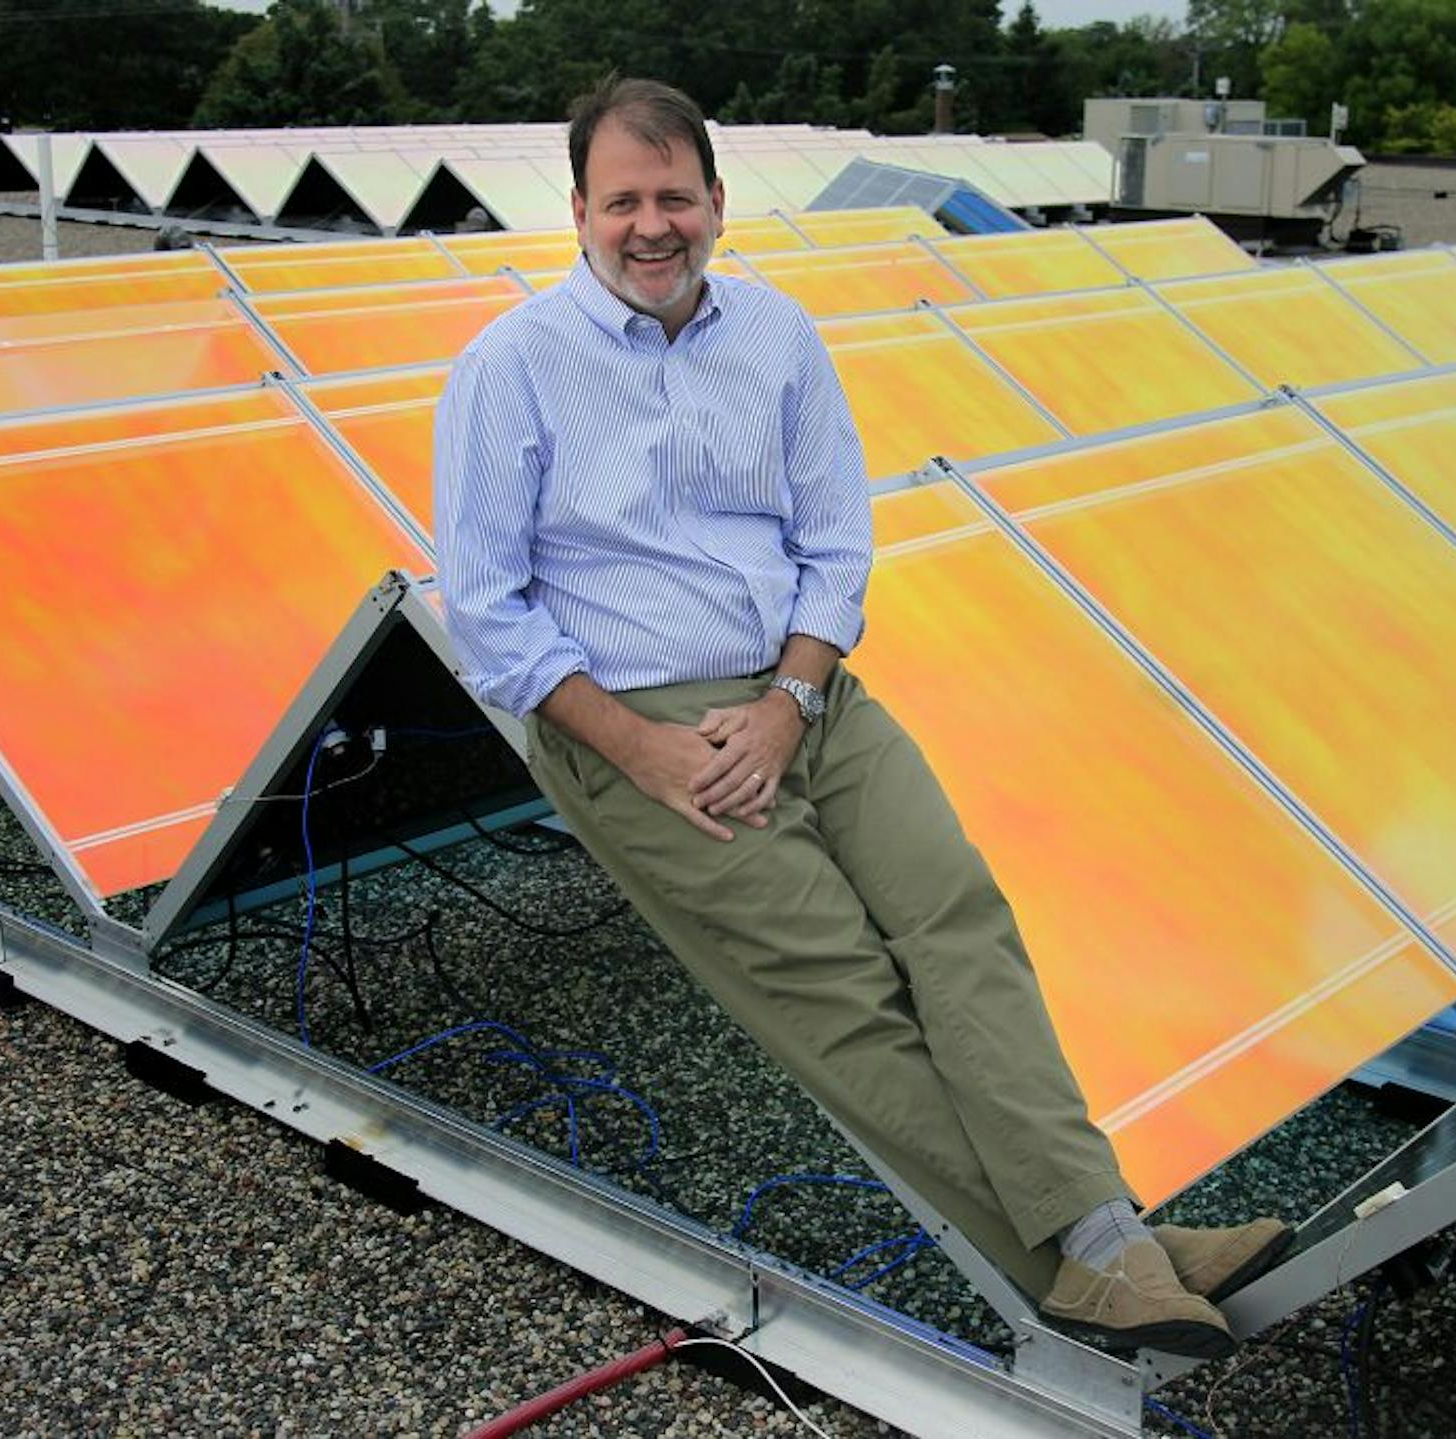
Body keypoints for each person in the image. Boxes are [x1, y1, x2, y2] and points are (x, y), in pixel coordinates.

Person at [432, 76, 1287, 1359]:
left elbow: (835, 546)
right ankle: (1094, 1255)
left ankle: (1113, 1234)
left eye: (676, 197)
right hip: (643, 727)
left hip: (807, 695)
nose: (651, 225)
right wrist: (648, 751)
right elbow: (488, 611)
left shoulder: (777, 336)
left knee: (959, 923)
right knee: (848, 988)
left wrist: (791, 698)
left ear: (718, 203)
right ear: (579, 213)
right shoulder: (511, 369)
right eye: (624, 201)